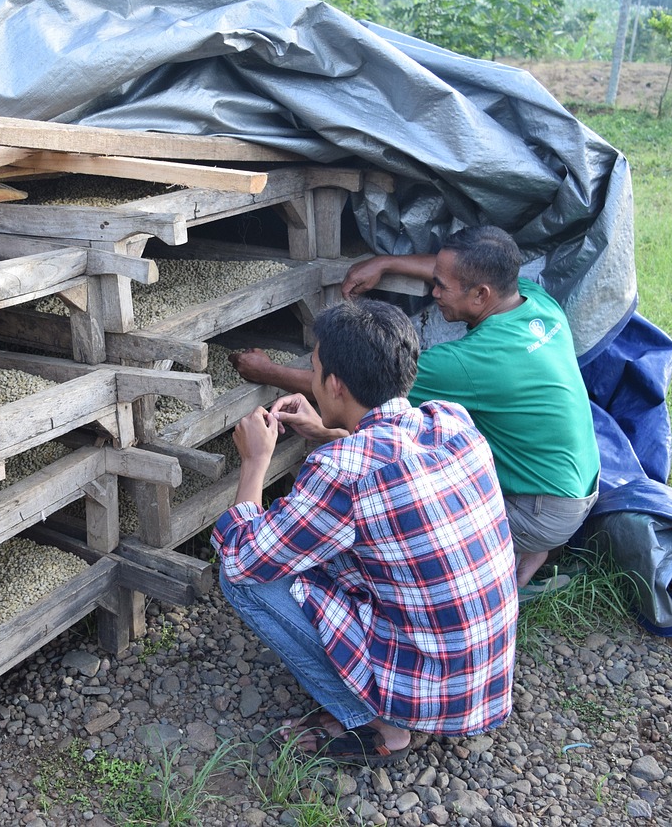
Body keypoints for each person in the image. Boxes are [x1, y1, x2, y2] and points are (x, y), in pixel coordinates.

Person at [213, 299, 518, 765]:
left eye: (314, 368)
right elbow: (384, 463)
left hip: (426, 693)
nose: (313, 377)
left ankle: (379, 723)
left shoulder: (343, 471)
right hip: (480, 680)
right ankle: (391, 699)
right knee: (323, 544)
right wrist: (327, 431)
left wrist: (255, 461)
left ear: (333, 384)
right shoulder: (449, 421)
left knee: (242, 578)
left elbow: (242, 557)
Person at [230, 226, 600, 590]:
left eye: (442, 285)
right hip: (577, 488)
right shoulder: (535, 302)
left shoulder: (466, 364)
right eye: (434, 280)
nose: (433, 291)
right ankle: (530, 549)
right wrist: (387, 262)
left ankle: (520, 546)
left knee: (389, 528)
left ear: (480, 293)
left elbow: (357, 382)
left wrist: (268, 372)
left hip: (541, 511)